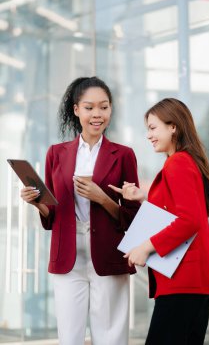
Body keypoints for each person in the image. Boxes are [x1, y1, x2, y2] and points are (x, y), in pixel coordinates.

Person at [20, 76, 140, 345]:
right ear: (76, 110)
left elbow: (133, 218)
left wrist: (102, 198)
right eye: (89, 107)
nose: (97, 114)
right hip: (68, 257)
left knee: (111, 338)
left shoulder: (123, 155)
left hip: (109, 255)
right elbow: (52, 214)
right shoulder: (56, 154)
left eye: (104, 107)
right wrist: (36, 203)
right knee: (69, 337)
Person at [109, 98, 209, 345]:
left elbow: (188, 221)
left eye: (153, 127)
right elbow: (184, 211)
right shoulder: (186, 161)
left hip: (183, 282)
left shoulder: (178, 163)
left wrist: (145, 247)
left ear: (173, 127)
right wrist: (145, 196)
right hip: (195, 283)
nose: (148, 135)